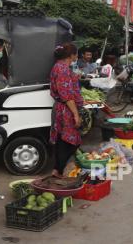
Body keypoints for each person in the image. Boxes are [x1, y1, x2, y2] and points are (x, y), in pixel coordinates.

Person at [50, 43, 83, 177]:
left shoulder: (60, 67)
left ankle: (58, 170)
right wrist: (75, 114)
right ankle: (58, 170)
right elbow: (66, 95)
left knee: (62, 138)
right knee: (68, 141)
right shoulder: (62, 69)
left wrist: (75, 77)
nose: (77, 56)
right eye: (76, 54)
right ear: (71, 55)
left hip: (62, 108)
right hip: (66, 110)